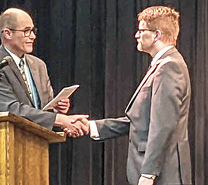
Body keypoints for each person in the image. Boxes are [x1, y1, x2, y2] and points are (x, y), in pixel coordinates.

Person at [72, 5, 192, 185]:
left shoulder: (169, 67)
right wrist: (92, 127)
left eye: (141, 30)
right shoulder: (162, 65)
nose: (136, 35)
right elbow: (140, 120)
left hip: (164, 175)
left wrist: (149, 173)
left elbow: (163, 125)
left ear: (157, 35)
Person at [0, 7, 88, 136]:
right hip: (6, 141)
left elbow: (44, 108)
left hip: (37, 143)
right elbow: (11, 109)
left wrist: (56, 109)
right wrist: (59, 120)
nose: (33, 36)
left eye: (33, 31)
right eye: (26, 31)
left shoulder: (38, 65)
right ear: (8, 33)